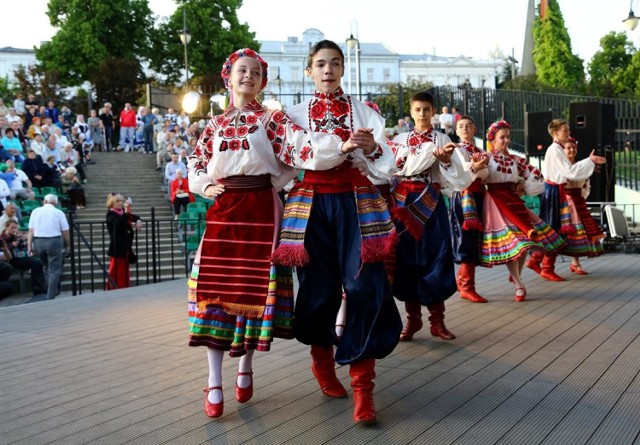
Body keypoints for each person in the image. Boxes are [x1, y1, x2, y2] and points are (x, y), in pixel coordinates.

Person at [187, 47, 353, 419]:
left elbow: (298, 151)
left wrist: (337, 148)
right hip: (225, 210)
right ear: (228, 76)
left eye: (255, 72)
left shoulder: (272, 119)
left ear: (262, 81)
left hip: (262, 209)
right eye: (241, 71)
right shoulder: (213, 125)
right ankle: (214, 380)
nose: (248, 76)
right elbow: (196, 162)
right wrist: (204, 184)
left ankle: (245, 367)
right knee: (216, 289)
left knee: (253, 291)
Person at [271, 40, 402, 425]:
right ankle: (322, 361)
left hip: (355, 203)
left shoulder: (365, 112)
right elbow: (290, 158)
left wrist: (372, 148)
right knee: (318, 290)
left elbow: (387, 166)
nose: (328, 70)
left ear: (343, 69)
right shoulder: (293, 116)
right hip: (310, 205)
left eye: (335, 63)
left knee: (365, 285)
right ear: (308, 70)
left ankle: (364, 386)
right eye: (320, 64)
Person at [389, 91, 472, 342]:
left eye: (426, 109)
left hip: (430, 202)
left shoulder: (442, 138)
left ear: (433, 111)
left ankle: (437, 321)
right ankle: (412, 319)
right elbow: (395, 167)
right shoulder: (400, 139)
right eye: (418, 110)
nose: (422, 114)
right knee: (406, 261)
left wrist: (445, 161)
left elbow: (457, 177)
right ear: (411, 112)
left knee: (435, 258)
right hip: (403, 203)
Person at [479, 121, 565, 301]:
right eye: (502, 137)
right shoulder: (486, 157)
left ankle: (516, 276)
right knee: (515, 242)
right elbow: (479, 176)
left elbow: (535, 175)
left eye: (508, 137)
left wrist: (523, 187)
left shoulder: (515, 160)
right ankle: (519, 284)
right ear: (492, 139)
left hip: (514, 202)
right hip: (496, 203)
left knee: (524, 242)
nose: (506, 140)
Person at [528, 119, 606, 281]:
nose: (568, 133)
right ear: (555, 133)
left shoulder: (557, 149)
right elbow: (569, 171)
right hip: (555, 191)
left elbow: (570, 172)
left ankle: (537, 261)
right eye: (565, 130)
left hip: (556, 190)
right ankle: (545, 266)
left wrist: (588, 164)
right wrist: (589, 161)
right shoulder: (555, 150)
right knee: (554, 229)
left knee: (554, 229)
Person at [449, 115, 490, 303]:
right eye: (461, 126)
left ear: (475, 129)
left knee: (475, 238)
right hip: (463, 196)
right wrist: (475, 167)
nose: (465, 129)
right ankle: (466, 286)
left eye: (468, 126)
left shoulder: (480, 150)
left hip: (478, 195)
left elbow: (486, 173)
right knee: (466, 238)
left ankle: (463, 283)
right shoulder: (456, 149)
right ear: (456, 131)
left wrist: (475, 168)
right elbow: (462, 169)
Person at [560, 137, 605, 273]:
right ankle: (543, 261)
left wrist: (582, 196)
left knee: (579, 232)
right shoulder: (561, 165)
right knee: (566, 232)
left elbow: (586, 185)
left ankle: (575, 263)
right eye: (568, 147)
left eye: (573, 147)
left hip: (578, 201)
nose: (572, 150)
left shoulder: (581, 165)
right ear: (562, 150)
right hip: (566, 201)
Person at [27, 194, 70, 300]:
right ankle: (50, 295)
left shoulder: (35, 211)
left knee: (46, 267)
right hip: (53, 241)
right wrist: (69, 245)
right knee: (54, 269)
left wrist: (29, 247)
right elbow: (65, 232)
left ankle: (52, 290)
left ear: (45, 201)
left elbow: (31, 231)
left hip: (38, 242)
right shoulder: (59, 212)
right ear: (55, 203)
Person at [1, 220, 47, 297]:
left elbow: (22, 247)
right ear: (6, 227)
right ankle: (38, 288)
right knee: (35, 263)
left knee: (38, 263)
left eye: (15, 228)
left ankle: (39, 287)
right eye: (12, 228)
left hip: (19, 257)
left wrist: (23, 241)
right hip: (9, 260)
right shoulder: (2, 237)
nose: (14, 230)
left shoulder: (15, 236)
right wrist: (11, 245)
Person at [105, 193, 141, 290]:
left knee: (124, 271)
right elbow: (117, 223)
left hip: (125, 247)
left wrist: (138, 220)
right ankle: (113, 289)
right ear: (111, 203)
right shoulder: (111, 214)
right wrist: (125, 213)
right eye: (117, 201)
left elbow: (135, 217)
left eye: (121, 201)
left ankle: (124, 288)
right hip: (117, 247)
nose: (120, 203)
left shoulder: (122, 212)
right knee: (115, 271)